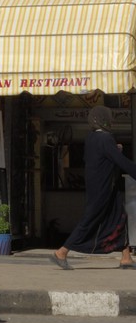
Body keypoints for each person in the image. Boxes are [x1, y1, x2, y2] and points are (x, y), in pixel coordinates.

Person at [52, 105, 136, 271]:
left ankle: (126, 257)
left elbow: (102, 157)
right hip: (103, 188)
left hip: (102, 188)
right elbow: (120, 162)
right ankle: (61, 252)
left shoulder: (91, 138)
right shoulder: (106, 138)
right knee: (89, 220)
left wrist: (115, 150)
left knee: (120, 218)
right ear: (105, 120)